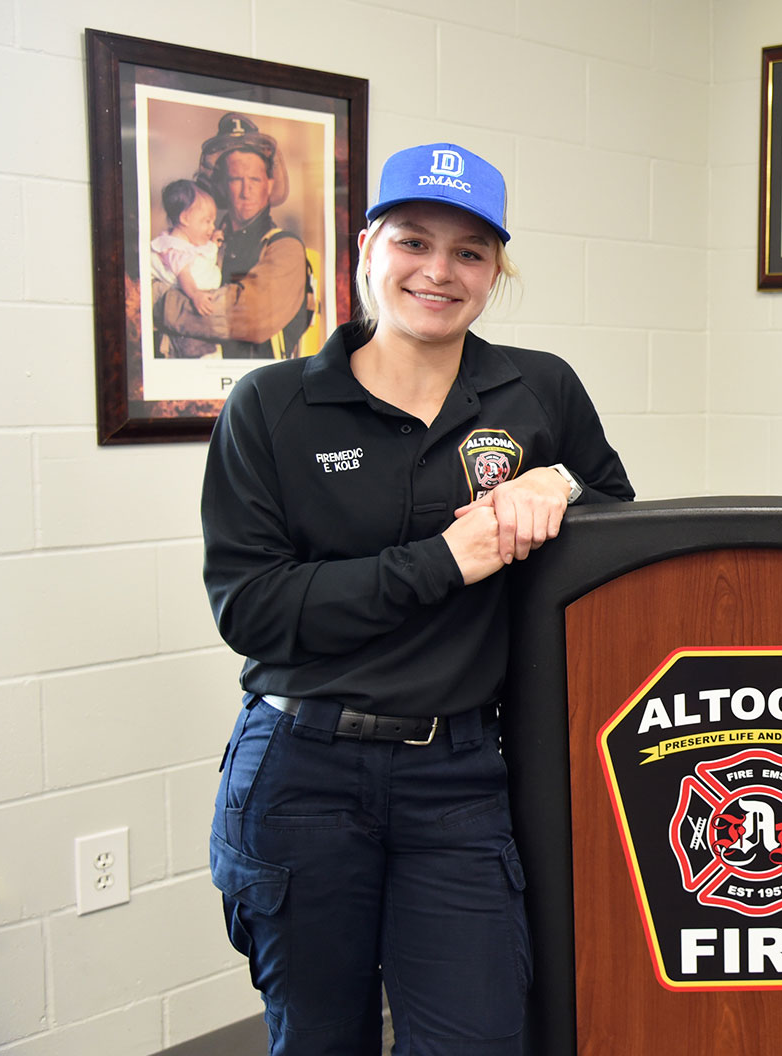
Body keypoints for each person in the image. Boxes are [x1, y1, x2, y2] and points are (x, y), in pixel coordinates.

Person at [203, 141, 634, 1054]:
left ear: (495, 272)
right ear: (366, 245)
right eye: (413, 241)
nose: (439, 271)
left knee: (478, 1039)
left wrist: (559, 487)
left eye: (470, 252)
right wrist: (445, 559)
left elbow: (618, 534)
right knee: (322, 1040)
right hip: (301, 768)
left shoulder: (538, 389)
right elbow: (252, 608)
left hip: (462, 775)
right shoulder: (273, 404)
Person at [157, 112, 313, 359]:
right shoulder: (205, 243)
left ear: (269, 184)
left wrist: (165, 304)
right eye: (235, 179)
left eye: (254, 179)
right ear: (220, 185)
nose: (246, 190)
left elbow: (251, 315)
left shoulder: (286, 246)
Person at [149, 179, 222, 358]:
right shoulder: (175, 249)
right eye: (207, 221)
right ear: (184, 218)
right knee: (196, 350)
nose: (212, 227)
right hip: (186, 310)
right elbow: (184, 275)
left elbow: (199, 257)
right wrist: (195, 295)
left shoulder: (188, 246)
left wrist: (212, 244)